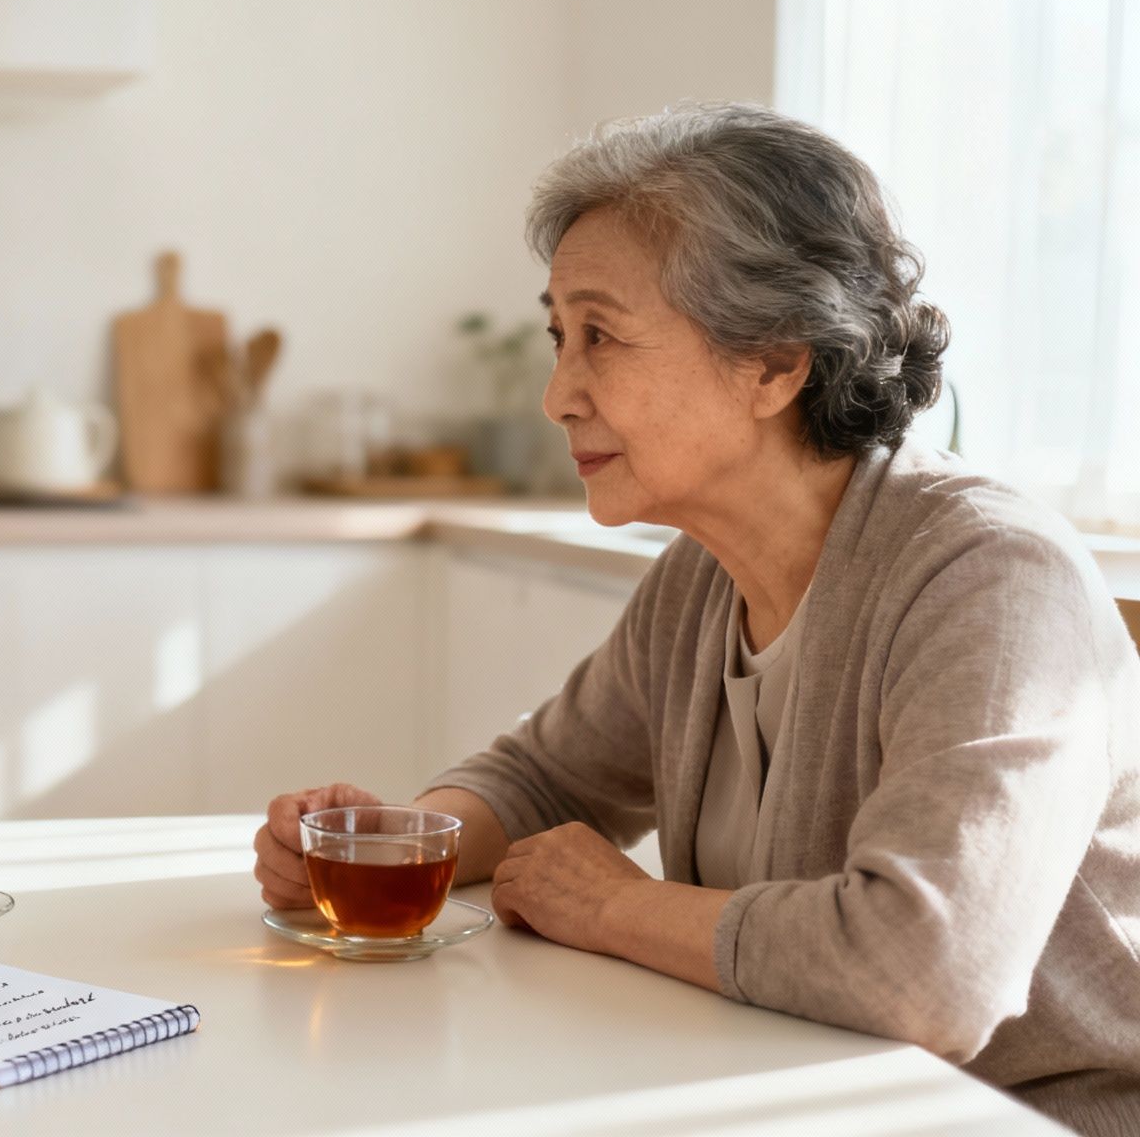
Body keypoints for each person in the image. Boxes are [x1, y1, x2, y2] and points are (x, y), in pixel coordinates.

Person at [254, 104, 1140, 1134]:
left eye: (600, 337)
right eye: (557, 336)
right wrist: (397, 849)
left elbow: (923, 971)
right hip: (802, 1096)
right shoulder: (699, 577)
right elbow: (546, 779)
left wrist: (616, 907)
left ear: (772, 363)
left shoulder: (989, 581)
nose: (556, 395)